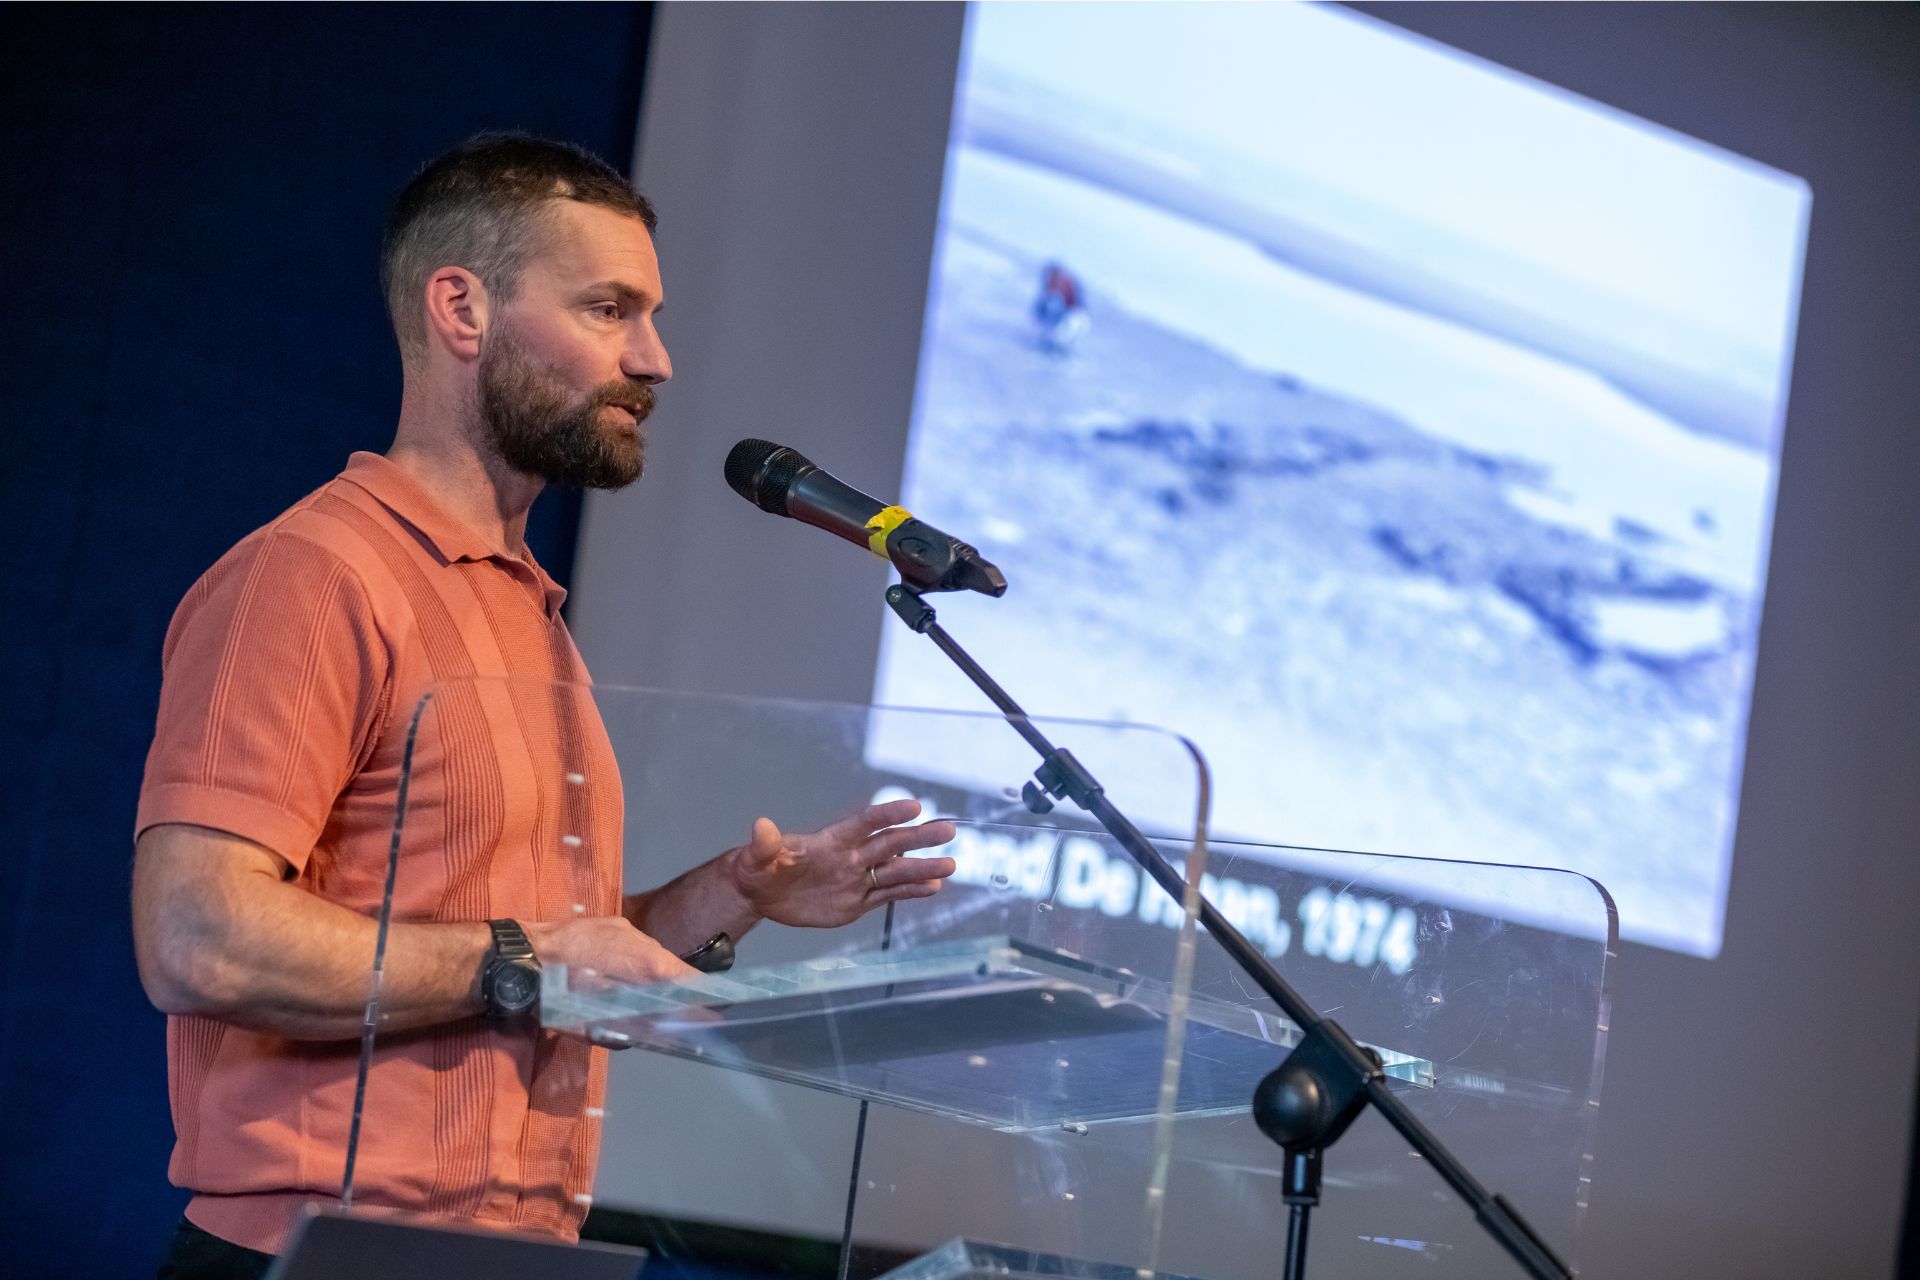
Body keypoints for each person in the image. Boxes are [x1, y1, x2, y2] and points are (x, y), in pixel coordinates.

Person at [131, 133, 957, 1279]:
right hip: (325, 1247)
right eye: (609, 309)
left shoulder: (530, 612)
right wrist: (532, 955)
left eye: (651, 317)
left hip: (525, 1250)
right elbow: (197, 938)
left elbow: (534, 954)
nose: (655, 360)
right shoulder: (315, 575)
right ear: (462, 308)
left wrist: (728, 894)